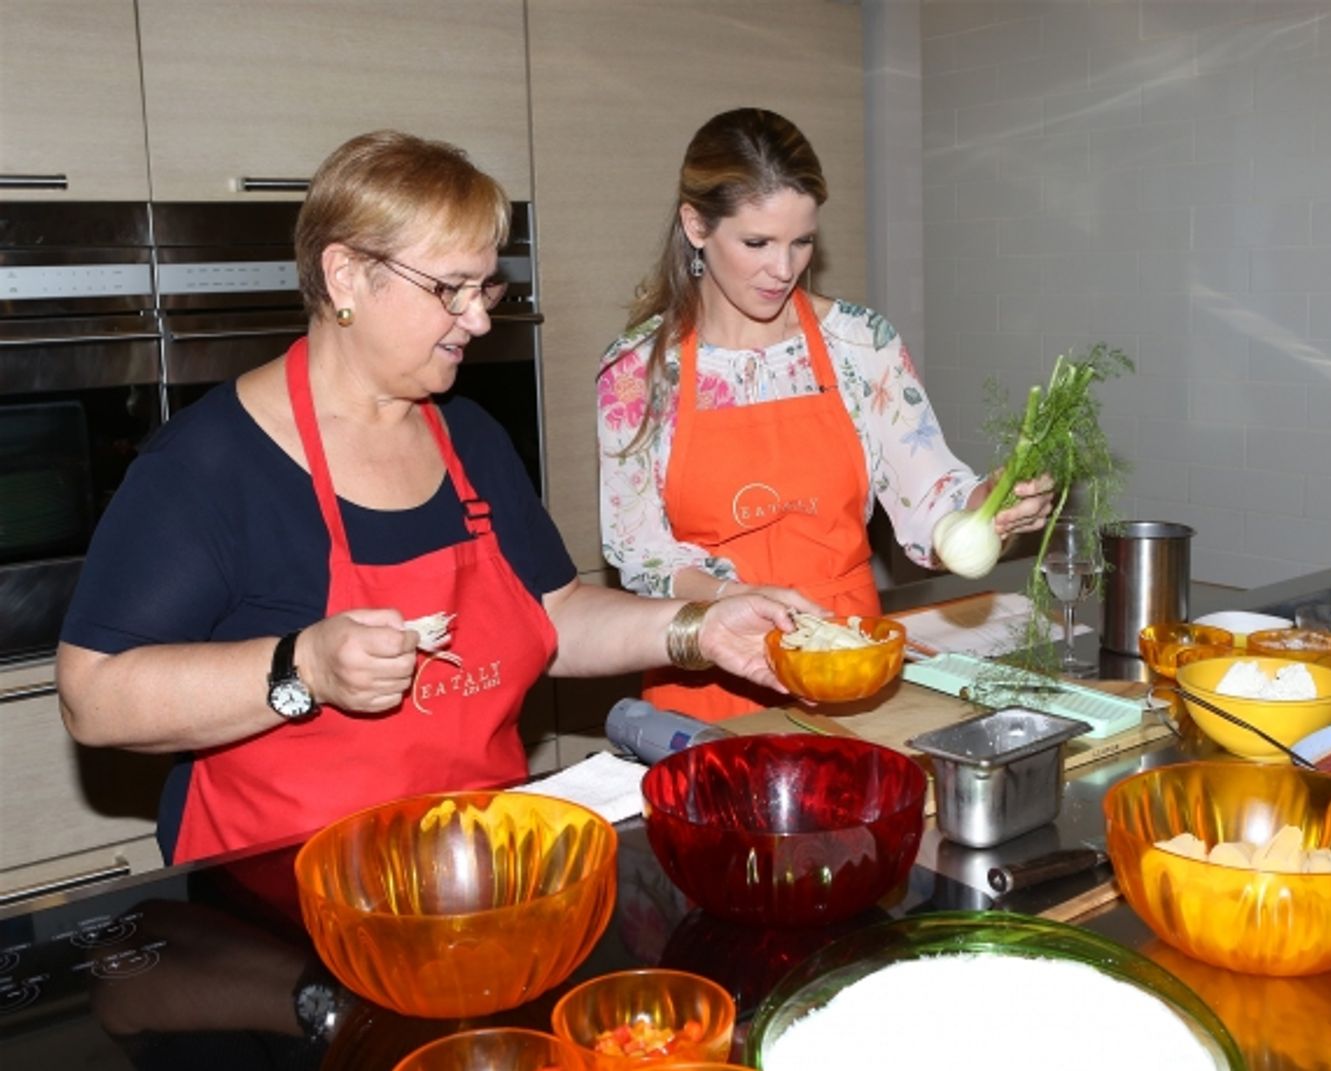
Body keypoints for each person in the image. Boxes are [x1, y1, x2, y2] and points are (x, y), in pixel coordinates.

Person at [56, 130, 801, 866]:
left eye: (486, 288)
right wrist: (302, 667)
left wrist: (699, 627)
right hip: (281, 898)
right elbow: (93, 695)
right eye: (450, 288)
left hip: (480, 870)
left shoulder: (468, 438)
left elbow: (555, 614)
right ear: (345, 275)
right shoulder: (209, 465)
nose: (477, 319)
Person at [597, 108, 1052, 720]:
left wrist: (988, 506)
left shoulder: (862, 345)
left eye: (801, 241)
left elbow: (930, 507)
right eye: (757, 243)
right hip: (710, 674)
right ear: (696, 225)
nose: (783, 270)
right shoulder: (637, 371)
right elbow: (639, 553)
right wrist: (735, 599)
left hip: (848, 663)